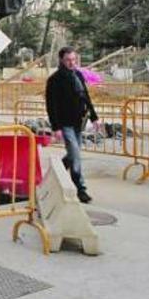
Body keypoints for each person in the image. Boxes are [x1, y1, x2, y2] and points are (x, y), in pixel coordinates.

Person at [46, 46, 99, 204]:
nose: (71, 63)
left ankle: (58, 170)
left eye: (74, 60)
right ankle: (80, 188)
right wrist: (56, 127)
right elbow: (51, 105)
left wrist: (94, 117)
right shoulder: (55, 80)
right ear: (62, 60)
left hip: (78, 121)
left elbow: (85, 96)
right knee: (75, 156)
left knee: (73, 154)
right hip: (65, 123)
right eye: (68, 60)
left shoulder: (78, 75)